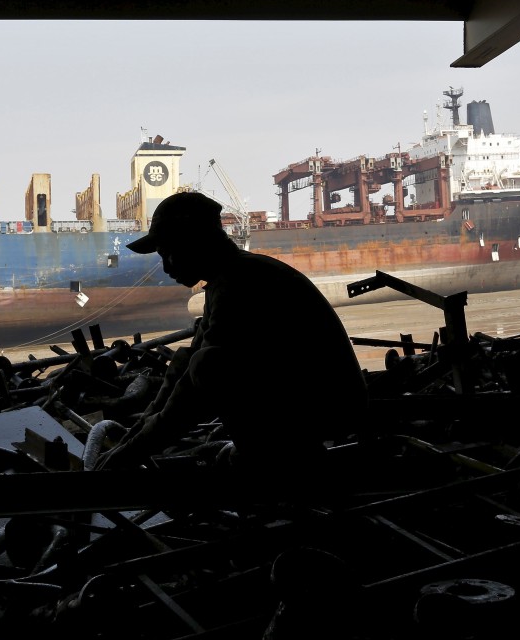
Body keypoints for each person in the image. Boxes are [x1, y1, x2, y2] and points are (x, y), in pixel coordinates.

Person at [96, 191, 368, 471]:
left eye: (168, 253)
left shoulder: (240, 284)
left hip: (330, 411)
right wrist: (128, 443)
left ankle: (265, 460)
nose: (165, 267)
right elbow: (182, 370)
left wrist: (128, 456)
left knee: (209, 365)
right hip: (313, 403)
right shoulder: (229, 278)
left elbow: (192, 392)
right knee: (194, 360)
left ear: (193, 242)